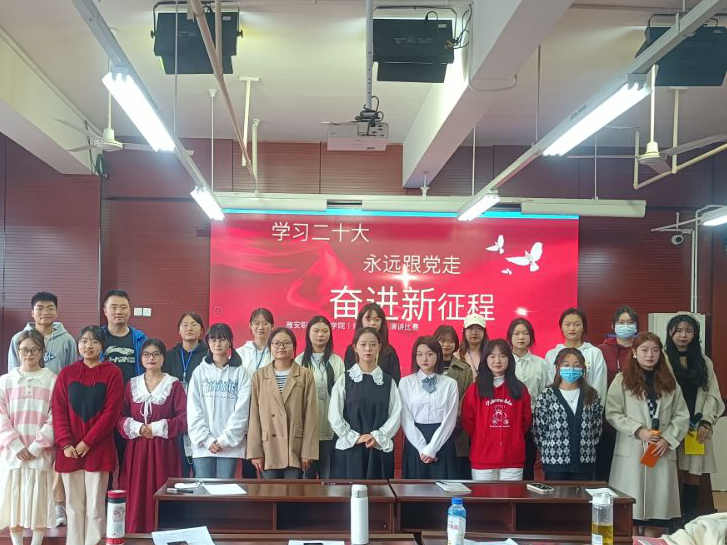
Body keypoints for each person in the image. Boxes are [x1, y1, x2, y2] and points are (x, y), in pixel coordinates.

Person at [606, 332, 689, 529]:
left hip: (661, 450)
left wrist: (668, 439)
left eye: (655, 350)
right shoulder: (621, 380)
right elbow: (612, 412)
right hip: (632, 451)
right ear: (634, 352)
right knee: (630, 516)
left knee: (659, 515)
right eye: (644, 350)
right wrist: (638, 430)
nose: (650, 355)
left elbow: (682, 415)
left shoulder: (670, 382)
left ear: (661, 353)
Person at [7, 292, 76, 527]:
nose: (45, 312)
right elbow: (14, 371)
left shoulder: (67, 340)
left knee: (52, 461)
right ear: (32, 312)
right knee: (21, 463)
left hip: (53, 406)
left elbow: (70, 372)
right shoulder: (18, 338)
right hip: (22, 408)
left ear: (56, 311)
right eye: (40, 308)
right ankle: (20, 512)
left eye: (49, 308)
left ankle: (56, 505)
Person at [52, 326, 123, 545]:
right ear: (78, 344)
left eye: (94, 341)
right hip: (70, 451)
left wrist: (87, 442)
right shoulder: (67, 373)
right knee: (73, 506)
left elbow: (111, 414)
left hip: (98, 448)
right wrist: (66, 443)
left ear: (102, 346)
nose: (88, 345)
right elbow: (58, 410)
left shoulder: (112, 373)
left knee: (95, 506)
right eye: (83, 341)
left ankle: (94, 542)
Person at [118, 339, 187, 533]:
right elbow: (119, 416)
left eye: (156, 354)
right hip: (137, 450)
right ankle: (136, 532)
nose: (151, 358)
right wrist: (137, 427)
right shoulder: (132, 384)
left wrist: (157, 428)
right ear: (141, 358)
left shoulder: (173, 384)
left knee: (163, 489)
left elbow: (184, 418)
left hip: (164, 450)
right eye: (147, 354)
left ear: (163, 358)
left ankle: (164, 534)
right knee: (137, 490)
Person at [664, 314, 725, 523]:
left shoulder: (704, 361)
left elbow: (712, 394)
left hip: (695, 426)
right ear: (670, 332)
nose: (683, 335)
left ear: (695, 334)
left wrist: (706, 421)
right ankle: (670, 517)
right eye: (679, 330)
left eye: (688, 331)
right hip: (670, 425)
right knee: (670, 470)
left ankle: (688, 517)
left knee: (693, 471)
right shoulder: (662, 359)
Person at [0, 331, 56, 545]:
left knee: (38, 504)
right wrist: (16, 445)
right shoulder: (5, 381)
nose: (29, 354)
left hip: (39, 454)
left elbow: (56, 416)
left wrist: (36, 446)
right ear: (17, 351)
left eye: (34, 350)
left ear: (42, 352)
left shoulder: (52, 381)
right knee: (13, 505)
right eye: (24, 350)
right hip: (12, 455)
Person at [330, 327, 402, 479]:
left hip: (379, 447)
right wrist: (355, 437)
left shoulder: (388, 382)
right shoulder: (344, 380)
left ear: (379, 347)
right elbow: (334, 415)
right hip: (351, 449)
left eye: (373, 344)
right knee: (349, 491)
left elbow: (396, 414)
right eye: (363, 344)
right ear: (355, 347)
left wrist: (378, 436)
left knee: (379, 491)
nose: (368, 349)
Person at [248, 327, 318, 479]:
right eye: (276, 343)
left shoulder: (305, 375)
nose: (281, 347)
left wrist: (308, 452)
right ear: (270, 347)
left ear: (294, 346)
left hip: (295, 446)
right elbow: (253, 415)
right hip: (268, 447)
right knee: (270, 492)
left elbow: (311, 416)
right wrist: (255, 452)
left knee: (293, 492)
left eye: (286, 343)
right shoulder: (259, 376)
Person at [187, 323, 251, 479]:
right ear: (208, 342)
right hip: (203, 446)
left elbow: (242, 411)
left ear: (230, 342)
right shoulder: (199, 372)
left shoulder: (241, 373)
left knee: (224, 489)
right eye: (213, 340)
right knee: (203, 489)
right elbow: (193, 409)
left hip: (229, 446)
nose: (217, 344)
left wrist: (224, 440)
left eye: (222, 339)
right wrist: (207, 440)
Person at [461, 339, 531, 481]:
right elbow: (468, 420)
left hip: (512, 458)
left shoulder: (519, 389)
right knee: (484, 495)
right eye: (492, 356)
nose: (497, 361)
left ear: (509, 359)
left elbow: (525, 421)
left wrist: (513, 437)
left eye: (502, 356)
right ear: (485, 359)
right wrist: (483, 437)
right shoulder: (475, 389)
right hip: (483, 457)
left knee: (511, 495)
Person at [533, 348, 603, 481]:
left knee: (583, 494)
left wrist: (586, 446)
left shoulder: (592, 395)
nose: (571, 369)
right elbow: (539, 430)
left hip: (585, 461)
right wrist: (551, 448)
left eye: (576, 365)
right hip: (554, 463)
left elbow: (596, 429)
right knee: (556, 495)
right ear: (558, 367)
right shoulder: (547, 395)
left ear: (583, 368)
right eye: (566, 365)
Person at [399, 336, 458, 479]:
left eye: (429, 354)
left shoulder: (450, 383)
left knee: (442, 488)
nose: (424, 359)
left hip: (442, 440)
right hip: (415, 441)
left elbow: (450, 419)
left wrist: (432, 448)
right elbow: (405, 418)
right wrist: (422, 448)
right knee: (414, 488)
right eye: (419, 354)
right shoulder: (405, 383)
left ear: (438, 356)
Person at [101, 289, 148, 473]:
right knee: (102, 459)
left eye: (123, 307)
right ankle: (104, 493)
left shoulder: (140, 339)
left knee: (129, 459)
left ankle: (126, 491)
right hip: (102, 406)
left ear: (130, 311)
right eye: (113, 307)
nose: (118, 311)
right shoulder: (96, 338)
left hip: (129, 407)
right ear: (105, 311)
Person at [294, 316, 345, 478]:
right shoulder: (299, 361)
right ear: (308, 333)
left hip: (331, 428)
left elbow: (343, 396)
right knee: (306, 478)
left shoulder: (337, 361)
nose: (320, 335)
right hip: (307, 430)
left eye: (324, 331)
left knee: (328, 477)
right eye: (316, 331)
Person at [596, 306, 639, 481]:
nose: (626, 326)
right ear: (613, 326)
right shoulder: (600, 350)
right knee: (605, 468)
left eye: (630, 322)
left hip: (636, 417)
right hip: (608, 418)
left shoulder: (643, 349)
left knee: (630, 472)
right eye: (621, 322)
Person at [162, 312, 207, 476]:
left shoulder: (209, 356)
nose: (189, 328)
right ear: (179, 331)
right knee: (178, 470)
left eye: (194, 324)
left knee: (202, 472)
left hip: (202, 419)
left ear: (202, 330)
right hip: (176, 417)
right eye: (185, 325)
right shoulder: (168, 356)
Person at [507, 318, 549, 480]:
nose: (521, 337)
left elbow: (545, 393)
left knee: (529, 460)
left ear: (531, 337)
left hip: (532, 419)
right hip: (508, 418)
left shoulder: (541, 364)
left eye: (525, 333)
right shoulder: (504, 362)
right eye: (517, 333)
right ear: (510, 336)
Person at [545, 308, 607, 403]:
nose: (572, 328)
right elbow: (550, 383)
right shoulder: (552, 354)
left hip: (588, 405)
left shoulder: (594, 353)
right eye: (567, 324)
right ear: (561, 327)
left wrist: (594, 406)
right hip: (557, 407)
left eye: (577, 324)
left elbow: (600, 385)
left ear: (583, 327)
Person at [436, 325, 474, 479]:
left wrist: (452, 419)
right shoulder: (427, 366)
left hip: (458, 429)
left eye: (451, 341)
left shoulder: (465, 369)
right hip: (433, 427)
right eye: (442, 340)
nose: (446, 345)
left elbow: (466, 398)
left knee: (457, 476)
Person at [344, 303, 401, 384]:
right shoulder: (351, 350)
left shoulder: (389, 351)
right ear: (361, 321)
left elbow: (395, 381)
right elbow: (347, 378)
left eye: (376, 320)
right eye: (368, 319)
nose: (372, 323)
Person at [236, 308, 274, 378]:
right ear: (250, 325)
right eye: (257, 323)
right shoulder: (240, 353)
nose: (261, 327)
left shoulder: (277, 352)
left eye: (265, 324)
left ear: (272, 326)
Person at [458, 314, 488, 378]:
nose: (474, 332)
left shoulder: (491, 353)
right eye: (470, 328)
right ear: (464, 331)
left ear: (484, 332)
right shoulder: (457, 355)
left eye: (479, 328)